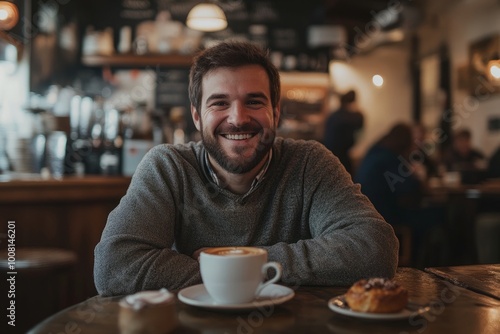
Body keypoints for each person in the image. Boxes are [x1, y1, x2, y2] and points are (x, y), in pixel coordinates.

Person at [94, 41, 398, 296]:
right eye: (220, 103)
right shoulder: (168, 168)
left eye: (254, 102)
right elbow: (114, 266)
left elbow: (375, 249)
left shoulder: (309, 164)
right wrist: (260, 275)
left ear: (275, 113)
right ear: (197, 117)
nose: (238, 118)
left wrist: (239, 263)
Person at [354, 123, 446, 266]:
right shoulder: (390, 157)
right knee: (439, 213)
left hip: (366, 212)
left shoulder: (374, 151)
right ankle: (425, 265)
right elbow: (409, 188)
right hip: (385, 214)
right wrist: (416, 177)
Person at [323, 90, 364, 175]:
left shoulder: (334, 116)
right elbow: (360, 122)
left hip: (330, 154)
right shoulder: (350, 117)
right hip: (340, 156)